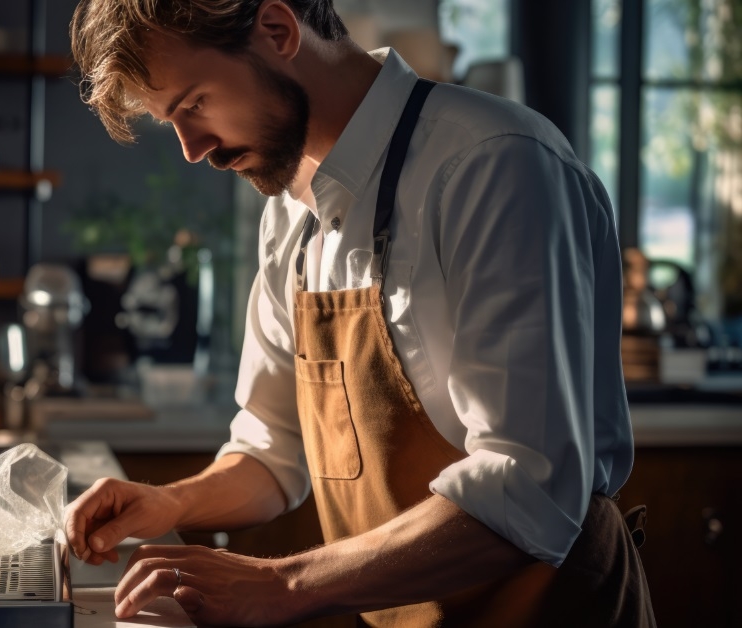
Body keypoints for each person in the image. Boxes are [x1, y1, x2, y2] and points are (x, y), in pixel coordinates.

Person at [63, 1, 655, 626]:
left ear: (277, 30)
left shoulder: (492, 163)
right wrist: (170, 503)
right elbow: (273, 449)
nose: (193, 148)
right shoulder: (289, 215)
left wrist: (282, 584)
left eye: (195, 104)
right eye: (172, 122)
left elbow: (527, 485)